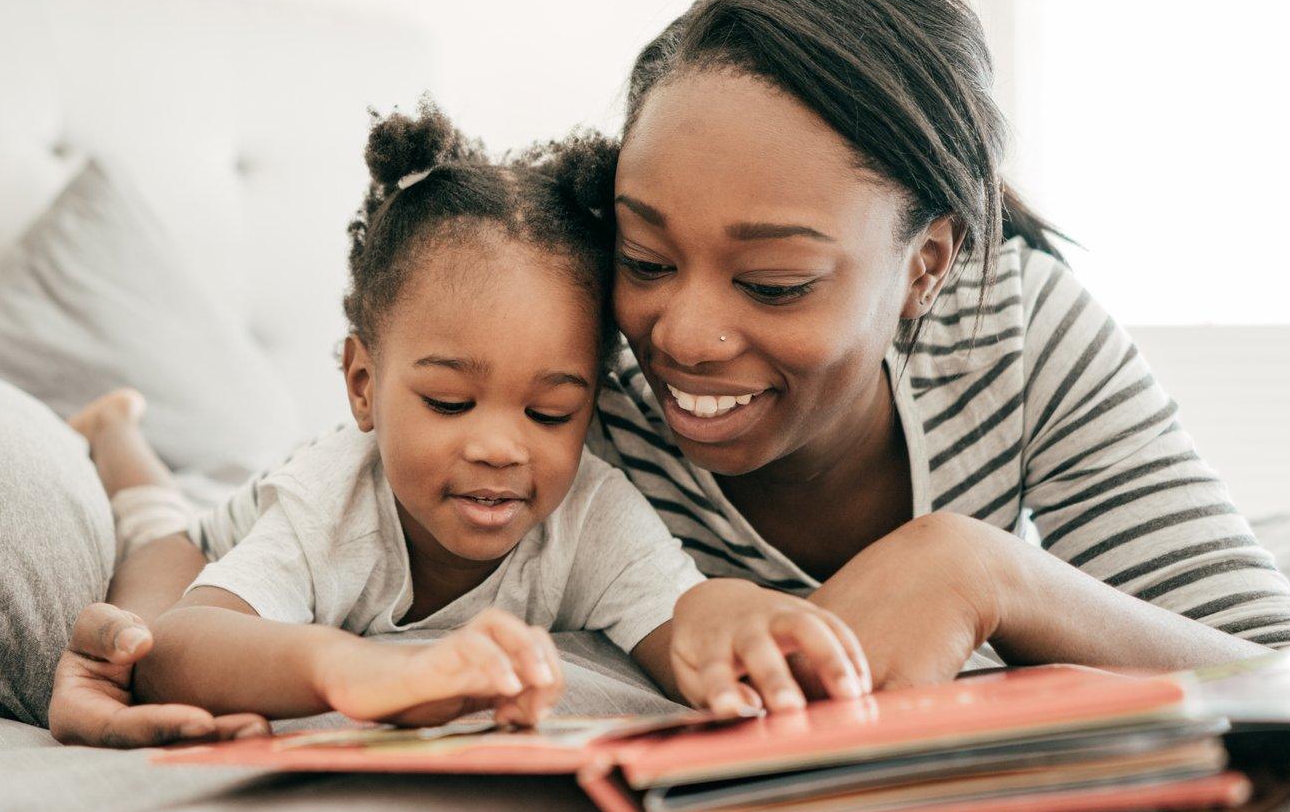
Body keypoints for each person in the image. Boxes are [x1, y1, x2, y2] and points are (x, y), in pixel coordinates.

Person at [53, 0, 1290, 748]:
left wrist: (988, 572)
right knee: (170, 501)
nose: (682, 336)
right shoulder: (561, 379)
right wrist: (140, 637)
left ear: (929, 264)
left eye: (773, 279)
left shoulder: (1021, 331)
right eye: (644, 257)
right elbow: (324, 531)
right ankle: (120, 439)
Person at [49, 102, 870, 744]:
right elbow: (188, 644)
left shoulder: (592, 513)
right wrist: (354, 670)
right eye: (449, 402)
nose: (499, 447)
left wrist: (735, 617)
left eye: (551, 412)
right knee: (157, 533)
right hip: (217, 535)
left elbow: (678, 616)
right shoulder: (326, 505)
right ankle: (117, 432)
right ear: (364, 385)